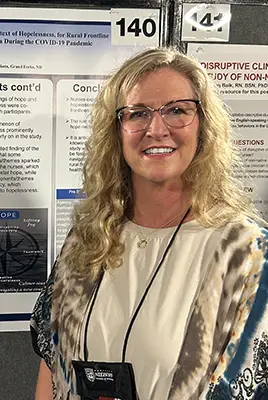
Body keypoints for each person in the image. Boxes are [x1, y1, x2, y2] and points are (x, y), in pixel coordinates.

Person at [31, 47, 268, 400]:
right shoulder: (87, 240)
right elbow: (52, 371)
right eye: (137, 113)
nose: (156, 129)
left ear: (204, 125)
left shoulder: (246, 253)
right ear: (117, 130)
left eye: (177, 110)